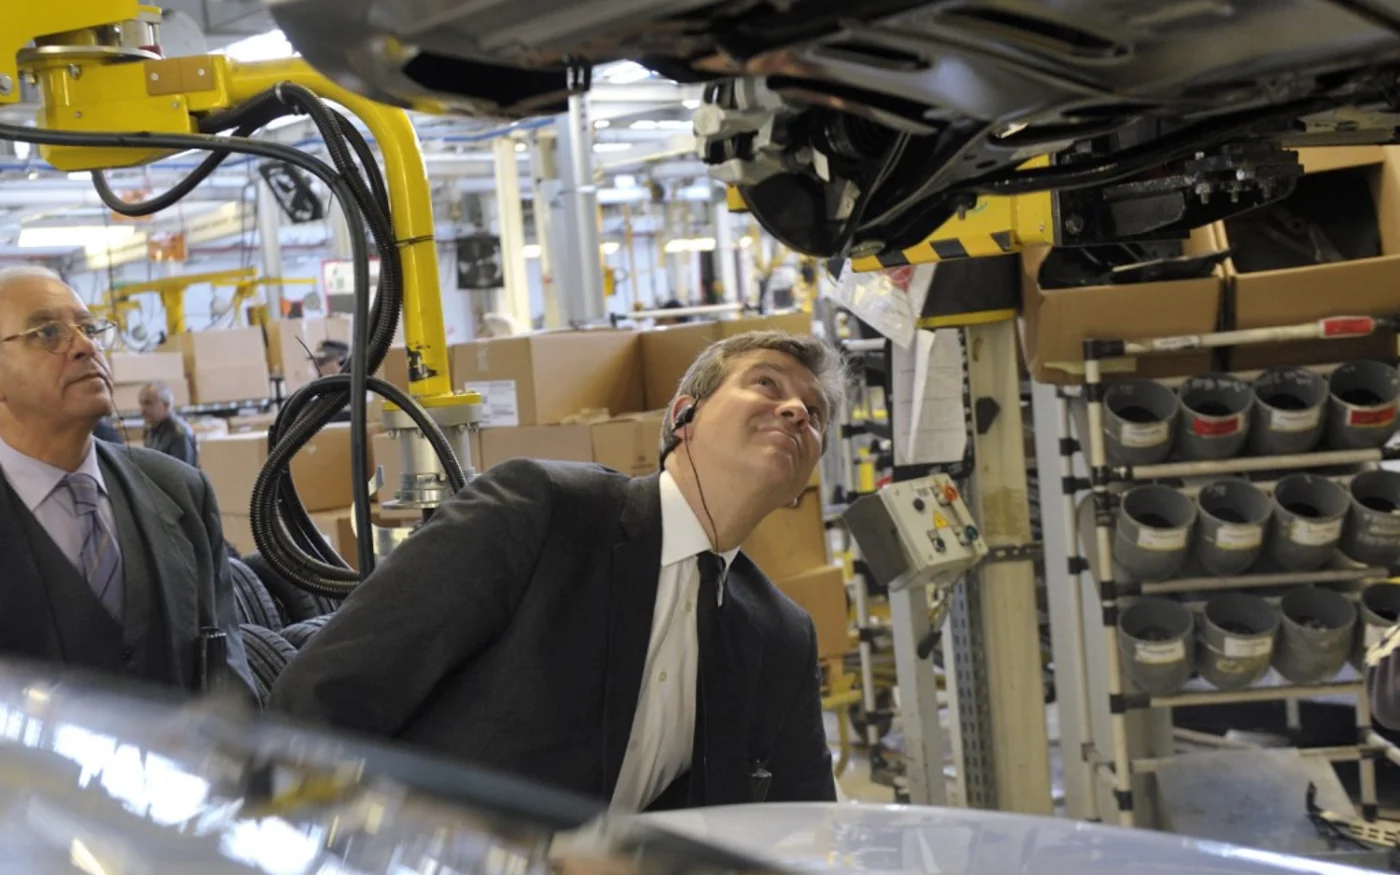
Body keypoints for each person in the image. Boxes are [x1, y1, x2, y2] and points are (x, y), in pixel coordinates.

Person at [270, 331, 844, 810]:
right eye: (765, 384)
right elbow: (323, 697)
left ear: (801, 486)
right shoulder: (544, 512)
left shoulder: (780, 636)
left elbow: (804, 822)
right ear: (682, 417)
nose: (795, 411)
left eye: (814, 413)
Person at [0, 265, 254, 696]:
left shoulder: (180, 490)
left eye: (89, 329)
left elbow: (227, 677)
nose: (85, 346)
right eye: (48, 333)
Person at [139, 381, 198, 467]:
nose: (142, 410)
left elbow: (182, 471)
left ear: (166, 405)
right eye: (141, 404)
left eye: (148, 403)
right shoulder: (151, 430)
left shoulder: (179, 434)